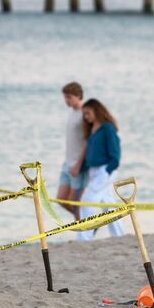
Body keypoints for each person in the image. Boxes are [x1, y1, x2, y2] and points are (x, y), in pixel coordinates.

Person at [76, 98, 124, 241]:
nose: (86, 117)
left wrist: (108, 169)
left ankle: (84, 238)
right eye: (84, 114)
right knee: (108, 204)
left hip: (105, 170)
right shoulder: (92, 131)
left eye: (88, 113)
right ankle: (119, 236)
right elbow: (91, 154)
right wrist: (80, 169)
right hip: (94, 171)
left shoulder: (107, 128)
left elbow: (115, 152)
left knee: (87, 201)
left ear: (96, 111)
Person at [56, 82, 87, 218]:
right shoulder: (72, 112)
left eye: (69, 97)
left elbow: (88, 142)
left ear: (78, 96)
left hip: (77, 165)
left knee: (75, 202)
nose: (66, 100)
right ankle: (87, 223)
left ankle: (83, 232)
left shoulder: (84, 114)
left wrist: (79, 165)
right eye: (65, 97)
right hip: (67, 162)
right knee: (61, 199)